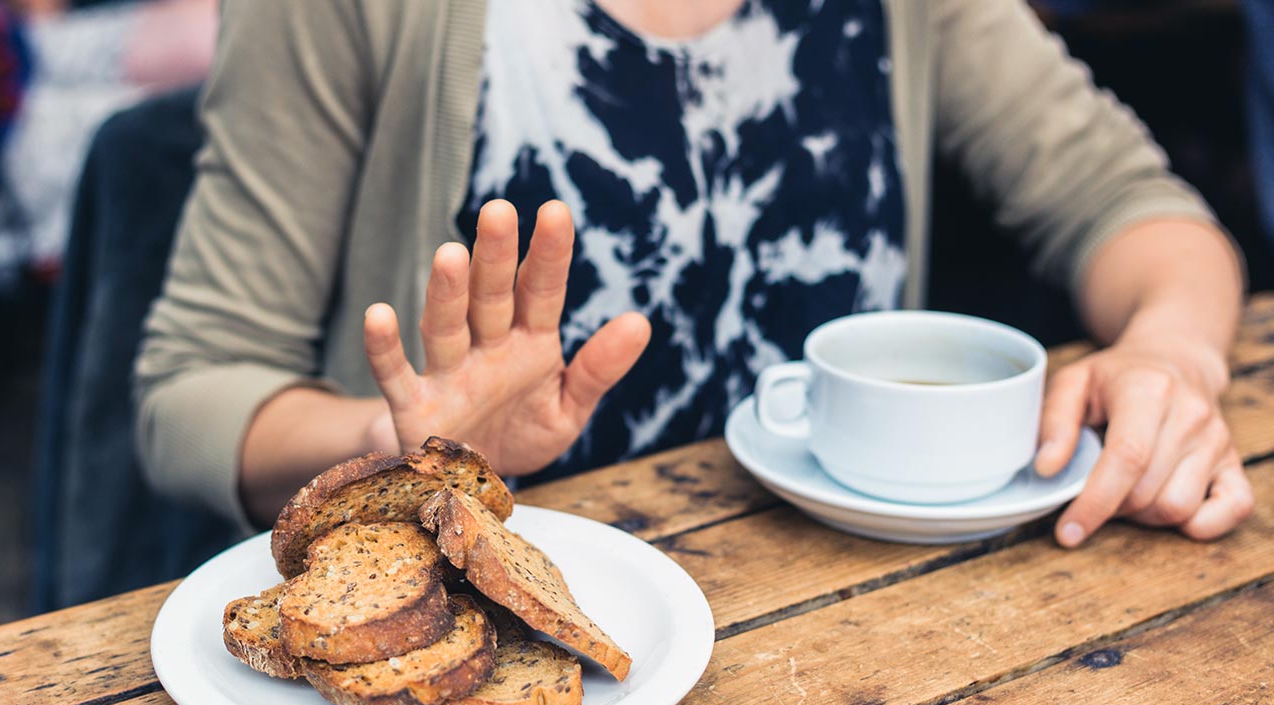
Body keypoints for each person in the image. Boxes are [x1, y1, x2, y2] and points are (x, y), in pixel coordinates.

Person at [133, 0, 1251, 551]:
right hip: (487, 666)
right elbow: (193, 393)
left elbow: (1131, 207)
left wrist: (1171, 352)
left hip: (865, 641)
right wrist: (397, 452)